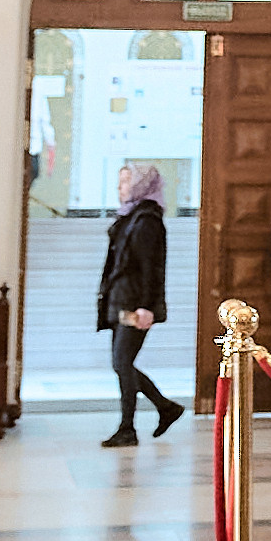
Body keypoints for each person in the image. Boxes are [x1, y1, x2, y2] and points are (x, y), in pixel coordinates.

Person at [96, 163, 183, 448]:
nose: (120, 188)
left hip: (135, 303)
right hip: (122, 299)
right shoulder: (131, 216)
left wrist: (146, 306)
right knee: (121, 364)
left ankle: (128, 427)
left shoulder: (147, 220)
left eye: (125, 182)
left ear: (141, 185)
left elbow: (151, 268)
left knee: (122, 363)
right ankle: (164, 407)